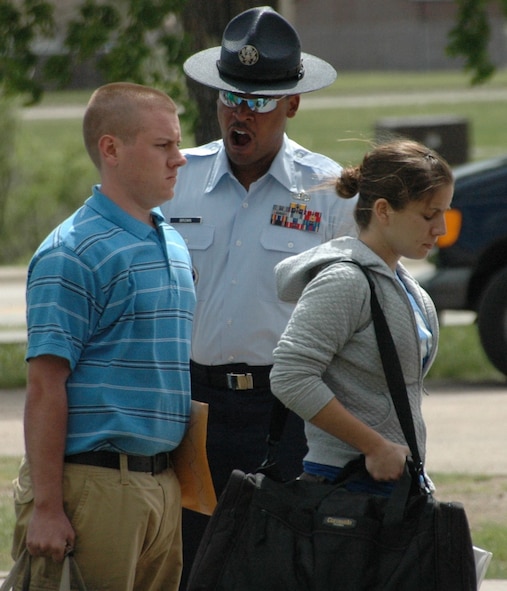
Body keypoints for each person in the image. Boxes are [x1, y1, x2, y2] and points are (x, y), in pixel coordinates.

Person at [161, 6, 357, 585]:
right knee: (190, 566)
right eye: (230, 96)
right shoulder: (177, 180)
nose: (239, 113)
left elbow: (359, 317)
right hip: (190, 408)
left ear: (293, 103)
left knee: (282, 568)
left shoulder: (330, 195)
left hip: (288, 411)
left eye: (259, 102)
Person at [10, 82, 195, 591]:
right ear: (111, 149)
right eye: (164, 146)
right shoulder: (72, 252)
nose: (179, 159)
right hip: (95, 486)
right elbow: (46, 386)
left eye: (177, 144)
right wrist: (47, 507)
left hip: (161, 486)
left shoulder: (173, 242)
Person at [270, 139, 453, 492]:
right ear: (383, 211)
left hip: (393, 479)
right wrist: (374, 446)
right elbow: (290, 376)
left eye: (445, 212)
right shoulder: (345, 281)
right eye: (429, 215)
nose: (440, 229)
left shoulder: (404, 283)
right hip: (345, 482)